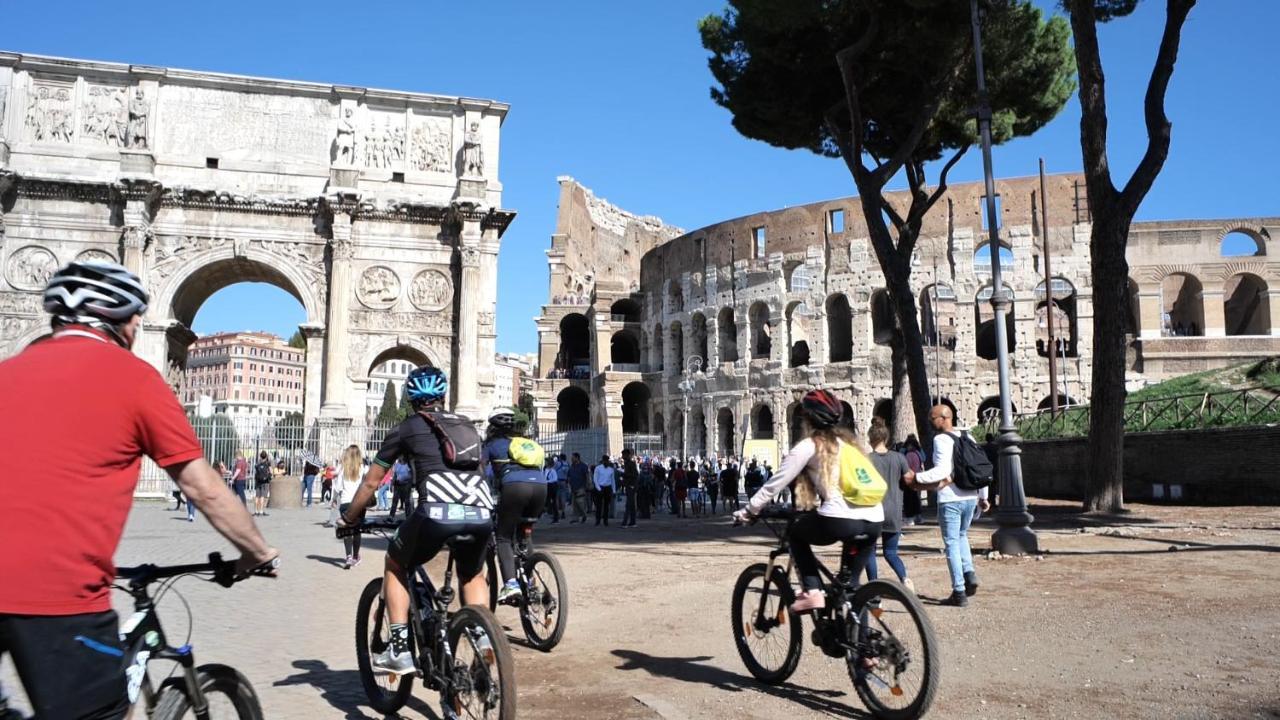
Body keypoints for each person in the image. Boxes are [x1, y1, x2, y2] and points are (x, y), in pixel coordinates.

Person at [0, 260, 277, 720]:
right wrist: (257, 550)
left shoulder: (8, 371)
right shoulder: (134, 379)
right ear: (126, 324)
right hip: (56, 596)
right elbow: (202, 486)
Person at [339, 366, 492, 677]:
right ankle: (484, 640)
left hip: (435, 513)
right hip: (480, 512)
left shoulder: (407, 428)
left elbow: (371, 482)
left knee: (396, 564)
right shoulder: (468, 426)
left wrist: (350, 517)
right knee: (473, 575)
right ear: (443, 395)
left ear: (410, 398)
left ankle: (399, 649)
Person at [734, 389, 883, 614]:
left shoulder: (810, 445)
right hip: (874, 520)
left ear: (808, 418)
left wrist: (749, 510)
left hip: (841, 519)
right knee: (852, 590)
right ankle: (863, 646)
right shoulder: (851, 446)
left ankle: (813, 591)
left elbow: (775, 483)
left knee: (795, 533)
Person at [914, 404, 990, 607]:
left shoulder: (940, 440)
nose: (930, 421)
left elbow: (941, 471)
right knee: (962, 536)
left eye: (933, 418)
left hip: (950, 499)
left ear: (945, 418)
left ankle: (959, 591)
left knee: (951, 543)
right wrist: (983, 496)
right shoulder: (968, 437)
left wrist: (916, 477)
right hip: (970, 498)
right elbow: (979, 467)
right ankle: (969, 573)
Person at [862, 418, 949, 594]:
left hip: (872, 512)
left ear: (870, 439)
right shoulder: (899, 458)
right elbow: (911, 480)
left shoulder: (866, 460)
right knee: (891, 553)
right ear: (886, 439)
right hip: (894, 511)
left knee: (869, 553)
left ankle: (874, 587)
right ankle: (905, 578)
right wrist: (934, 485)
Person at [483, 409, 547, 603]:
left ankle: (510, 584)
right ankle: (531, 582)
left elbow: (480, 472)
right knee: (524, 533)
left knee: (503, 537)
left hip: (514, 487)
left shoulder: (491, 445)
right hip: (541, 486)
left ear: (492, 427)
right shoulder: (526, 443)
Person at [333, 445, 364, 569]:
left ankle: (348, 556)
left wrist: (334, 499)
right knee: (357, 530)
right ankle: (356, 556)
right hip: (359, 503)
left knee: (347, 530)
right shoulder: (363, 468)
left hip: (345, 503)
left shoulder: (342, 469)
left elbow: (338, 488)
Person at [901, 435, 926, 526]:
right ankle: (918, 517)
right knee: (917, 498)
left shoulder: (908, 454)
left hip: (910, 478)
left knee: (908, 498)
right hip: (918, 477)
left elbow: (902, 459)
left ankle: (910, 518)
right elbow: (924, 458)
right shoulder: (918, 452)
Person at [388, 454, 414, 518]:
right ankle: (391, 516)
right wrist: (391, 485)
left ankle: (408, 517)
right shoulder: (396, 465)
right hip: (397, 484)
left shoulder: (408, 465)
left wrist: (412, 485)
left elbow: (411, 476)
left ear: (403, 457)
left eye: (400, 456)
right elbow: (395, 475)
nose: (399, 457)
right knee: (394, 501)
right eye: (399, 456)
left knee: (407, 502)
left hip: (406, 485)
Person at [593, 455, 616, 526]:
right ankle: (598, 520)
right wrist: (598, 488)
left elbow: (613, 481)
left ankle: (605, 521)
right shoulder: (598, 468)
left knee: (606, 506)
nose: (606, 462)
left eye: (607, 460)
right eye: (605, 460)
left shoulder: (611, 469)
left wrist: (614, 490)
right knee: (599, 505)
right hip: (600, 487)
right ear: (602, 461)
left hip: (607, 488)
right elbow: (595, 479)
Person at [567, 452, 590, 523]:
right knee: (574, 504)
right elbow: (569, 476)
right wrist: (569, 485)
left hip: (581, 487)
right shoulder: (571, 466)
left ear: (577, 458)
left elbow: (587, 476)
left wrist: (587, 485)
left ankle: (584, 515)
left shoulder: (583, 466)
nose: (571, 459)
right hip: (573, 487)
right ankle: (575, 518)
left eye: (573, 458)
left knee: (580, 503)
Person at [620, 449, 639, 527]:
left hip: (631, 486)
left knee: (628, 505)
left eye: (623, 455)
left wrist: (623, 475)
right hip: (629, 486)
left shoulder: (631, 464)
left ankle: (625, 523)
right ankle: (632, 522)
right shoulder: (627, 463)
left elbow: (635, 475)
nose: (622, 457)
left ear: (627, 455)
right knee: (631, 505)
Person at [253, 450, 272, 517]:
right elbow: (271, 471)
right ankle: (261, 511)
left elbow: (256, 472)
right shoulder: (267, 463)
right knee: (262, 496)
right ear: (266, 456)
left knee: (257, 496)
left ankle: (256, 511)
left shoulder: (257, 464)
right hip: (265, 481)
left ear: (260, 456)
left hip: (258, 481)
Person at [543, 458, 561, 524]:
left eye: (546, 462)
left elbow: (555, 479)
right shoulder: (544, 470)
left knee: (553, 502)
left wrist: (547, 481)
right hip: (547, 486)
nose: (545, 463)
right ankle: (549, 512)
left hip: (551, 487)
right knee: (547, 500)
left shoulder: (552, 470)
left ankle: (555, 517)